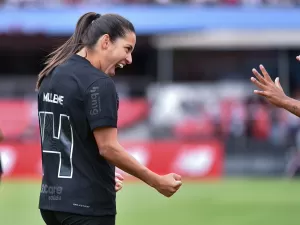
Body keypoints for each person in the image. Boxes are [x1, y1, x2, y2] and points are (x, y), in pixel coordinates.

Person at [36, 12, 182, 225]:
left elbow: (70, 138)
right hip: (87, 208)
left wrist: (94, 173)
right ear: (106, 41)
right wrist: (157, 181)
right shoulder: (98, 83)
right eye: (127, 49)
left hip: (51, 204)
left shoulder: (52, 74)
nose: (130, 59)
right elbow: (108, 148)